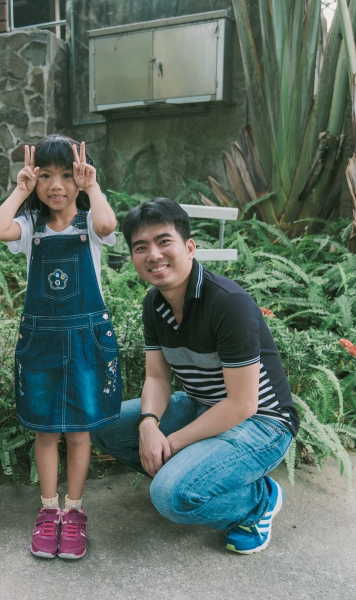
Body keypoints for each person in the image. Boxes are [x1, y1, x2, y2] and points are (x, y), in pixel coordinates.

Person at [90, 198, 298, 554]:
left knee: (171, 497)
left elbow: (243, 404)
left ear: (189, 247)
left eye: (163, 241)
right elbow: (157, 378)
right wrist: (148, 425)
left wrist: (171, 443)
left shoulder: (228, 303)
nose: (153, 254)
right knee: (102, 426)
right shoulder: (154, 304)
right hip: (203, 406)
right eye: (141, 247)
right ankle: (192, 475)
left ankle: (257, 500)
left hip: (263, 423)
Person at [0, 135, 122, 560]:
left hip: (85, 339)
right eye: (46, 175)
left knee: (79, 432)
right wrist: (20, 188)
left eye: (67, 174)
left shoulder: (89, 225)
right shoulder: (30, 229)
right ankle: (48, 511)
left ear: (82, 178)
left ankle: (74, 511)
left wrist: (93, 187)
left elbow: (108, 225)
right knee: (46, 432)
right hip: (42, 340)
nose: (56, 184)